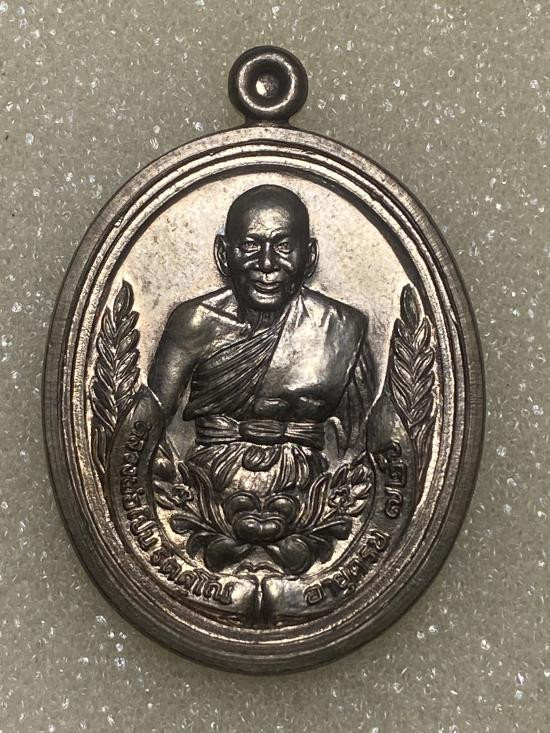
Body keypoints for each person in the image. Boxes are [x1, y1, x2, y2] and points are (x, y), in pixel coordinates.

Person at [148, 184, 375, 498]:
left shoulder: (341, 329)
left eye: (283, 246)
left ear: (309, 256)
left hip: (313, 498)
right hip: (202, 494)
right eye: (250, 245)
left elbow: (362, 445)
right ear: (223, 254)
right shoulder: (194, 322)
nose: (267, 263)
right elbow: (147, 432)